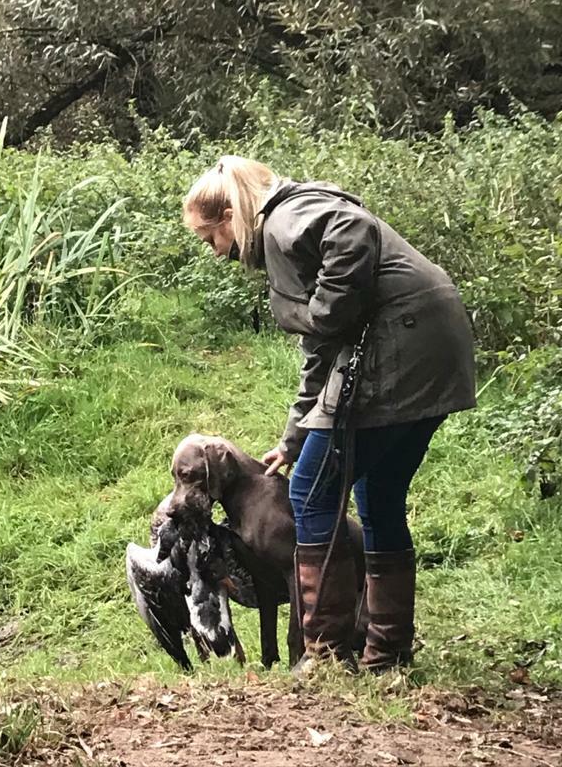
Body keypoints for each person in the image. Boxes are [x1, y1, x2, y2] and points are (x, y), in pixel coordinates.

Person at [182, 155, 476, 672]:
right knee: (377, 495)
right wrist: (296, 436)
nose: (215, 253)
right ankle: (386, 654)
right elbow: (321, 351)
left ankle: (325, 655)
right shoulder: (288, 225)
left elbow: (352, 230)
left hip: (402, 347)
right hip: (436, 343)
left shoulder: (282, 219)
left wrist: (324, 308)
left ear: (231, 215)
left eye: (211, 239)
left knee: (311, 491)